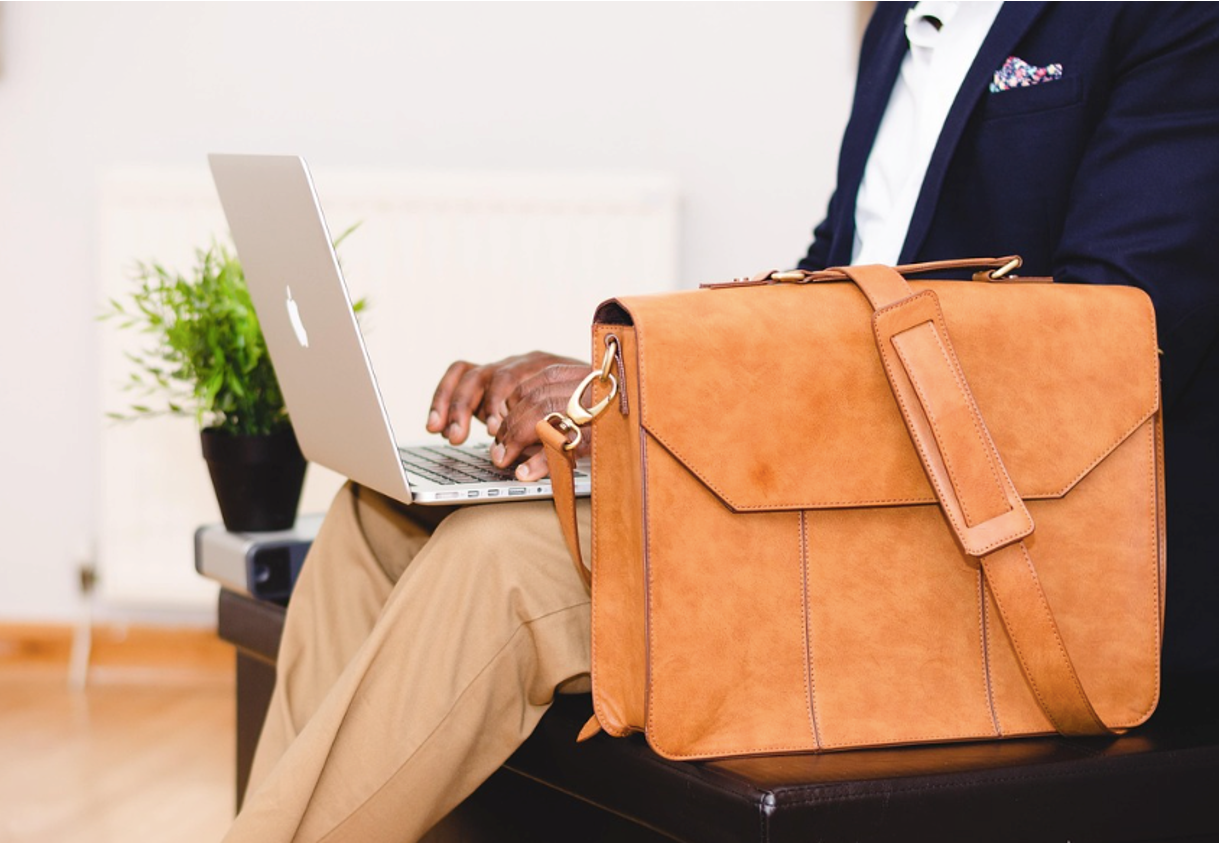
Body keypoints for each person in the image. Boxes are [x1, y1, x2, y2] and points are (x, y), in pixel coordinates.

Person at [225, 2, 1219, 840]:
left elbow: (1101, 351)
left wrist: (656, 402)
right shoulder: (894, 27)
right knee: (371, 522)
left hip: (991, 561)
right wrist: (617, 407)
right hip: (836, 511)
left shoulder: (1170, 19)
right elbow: (831, 286)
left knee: (499, 568)